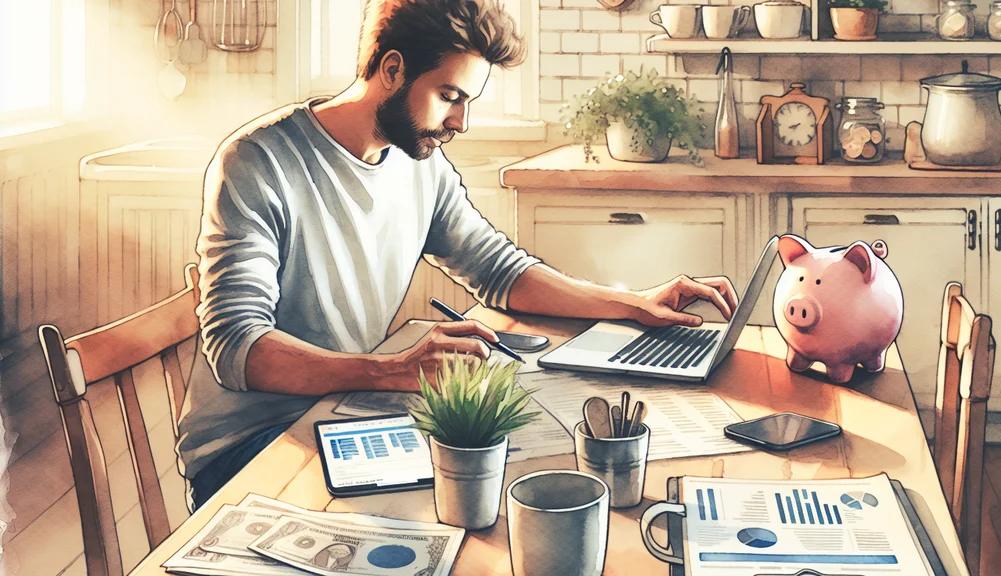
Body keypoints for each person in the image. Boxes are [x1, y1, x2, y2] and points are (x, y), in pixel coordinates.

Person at [175, 0, 739, 511]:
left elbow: (501, 271)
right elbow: (236, 347)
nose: (460, 122)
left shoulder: (419, 166)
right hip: (252, 448)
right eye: (449, 96)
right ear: (391, 69)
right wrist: (393, 371)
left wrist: (632, 304)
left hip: (348, 414)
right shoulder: (258, 161)